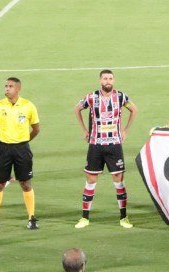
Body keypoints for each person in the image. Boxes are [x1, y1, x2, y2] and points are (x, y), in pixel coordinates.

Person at [74, 70, 137, 229]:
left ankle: (124, 217)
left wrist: (125, 130)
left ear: (113, 80)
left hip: (114, 144)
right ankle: (84, 218)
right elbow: (77, 109)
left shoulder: (121, 97)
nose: (107, 81)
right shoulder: (91, 97)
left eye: (110, 78)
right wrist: (84, 130)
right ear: (100, 80)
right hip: (95, 144)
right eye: (105, 78)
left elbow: (134, 110)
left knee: (118, 179)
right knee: (91, 180)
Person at [0, 76, 40, 230]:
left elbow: (36, 129)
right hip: (3, 148)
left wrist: (23, 140)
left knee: (25, 183)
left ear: (18, 89)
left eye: (10, 86)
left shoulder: (28, 106)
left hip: (22, 149)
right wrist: (6, 139)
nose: (7, 89)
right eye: (6, 86)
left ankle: (31, 217)